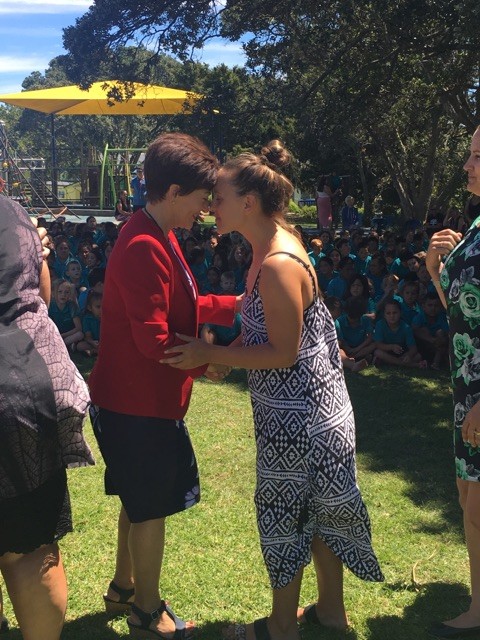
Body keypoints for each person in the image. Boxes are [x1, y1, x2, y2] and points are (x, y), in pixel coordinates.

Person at [161, 145, 383, 640]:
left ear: (248, 203)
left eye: (217, 196)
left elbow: (283, 353)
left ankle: (282, 626)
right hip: (311, 413)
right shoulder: (270, 247)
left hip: (301, 422)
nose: (209, 205)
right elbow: (270, 335)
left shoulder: (279, 262)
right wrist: (228, 353)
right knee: (323, 512)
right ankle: (330, 611)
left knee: (287, 514)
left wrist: (209, 354)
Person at [87, 133, 239, 639]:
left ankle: (125, 589)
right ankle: (148, 615)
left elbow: (185, 304)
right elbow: (154, 339)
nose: (206, 208)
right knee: (150, 506)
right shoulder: (143, 243)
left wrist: (235, 304)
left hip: (137, 402)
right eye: (202, 198)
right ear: (174, 192)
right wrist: (205, 363)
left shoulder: (160, 233)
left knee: (138, 499)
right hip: (135, 405)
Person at [0, 197, 93, 640]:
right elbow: (41, 297)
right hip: (22, 385)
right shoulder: (12, 213)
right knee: (30, 550)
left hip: (18, 392)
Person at [426, 126, 480, 637]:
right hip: (467, 386)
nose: (466, 164)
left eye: (477, 156)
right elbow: (465, 314)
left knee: (478, 503)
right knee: (468, 495)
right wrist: (436, 266)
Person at [373, 299, 427, 369]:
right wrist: (392, 347)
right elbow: (378, 344)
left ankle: (390, 362)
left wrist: (409, 355)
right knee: (377, 352)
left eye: (395, 313)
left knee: (418, 356)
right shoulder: (380, 324)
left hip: (402, 354)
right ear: (384, 315)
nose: (392, 316)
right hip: (387, 352)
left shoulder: (406, 327)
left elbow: (413, 348)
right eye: (388, 313)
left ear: (400, 313)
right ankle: (413, 365)